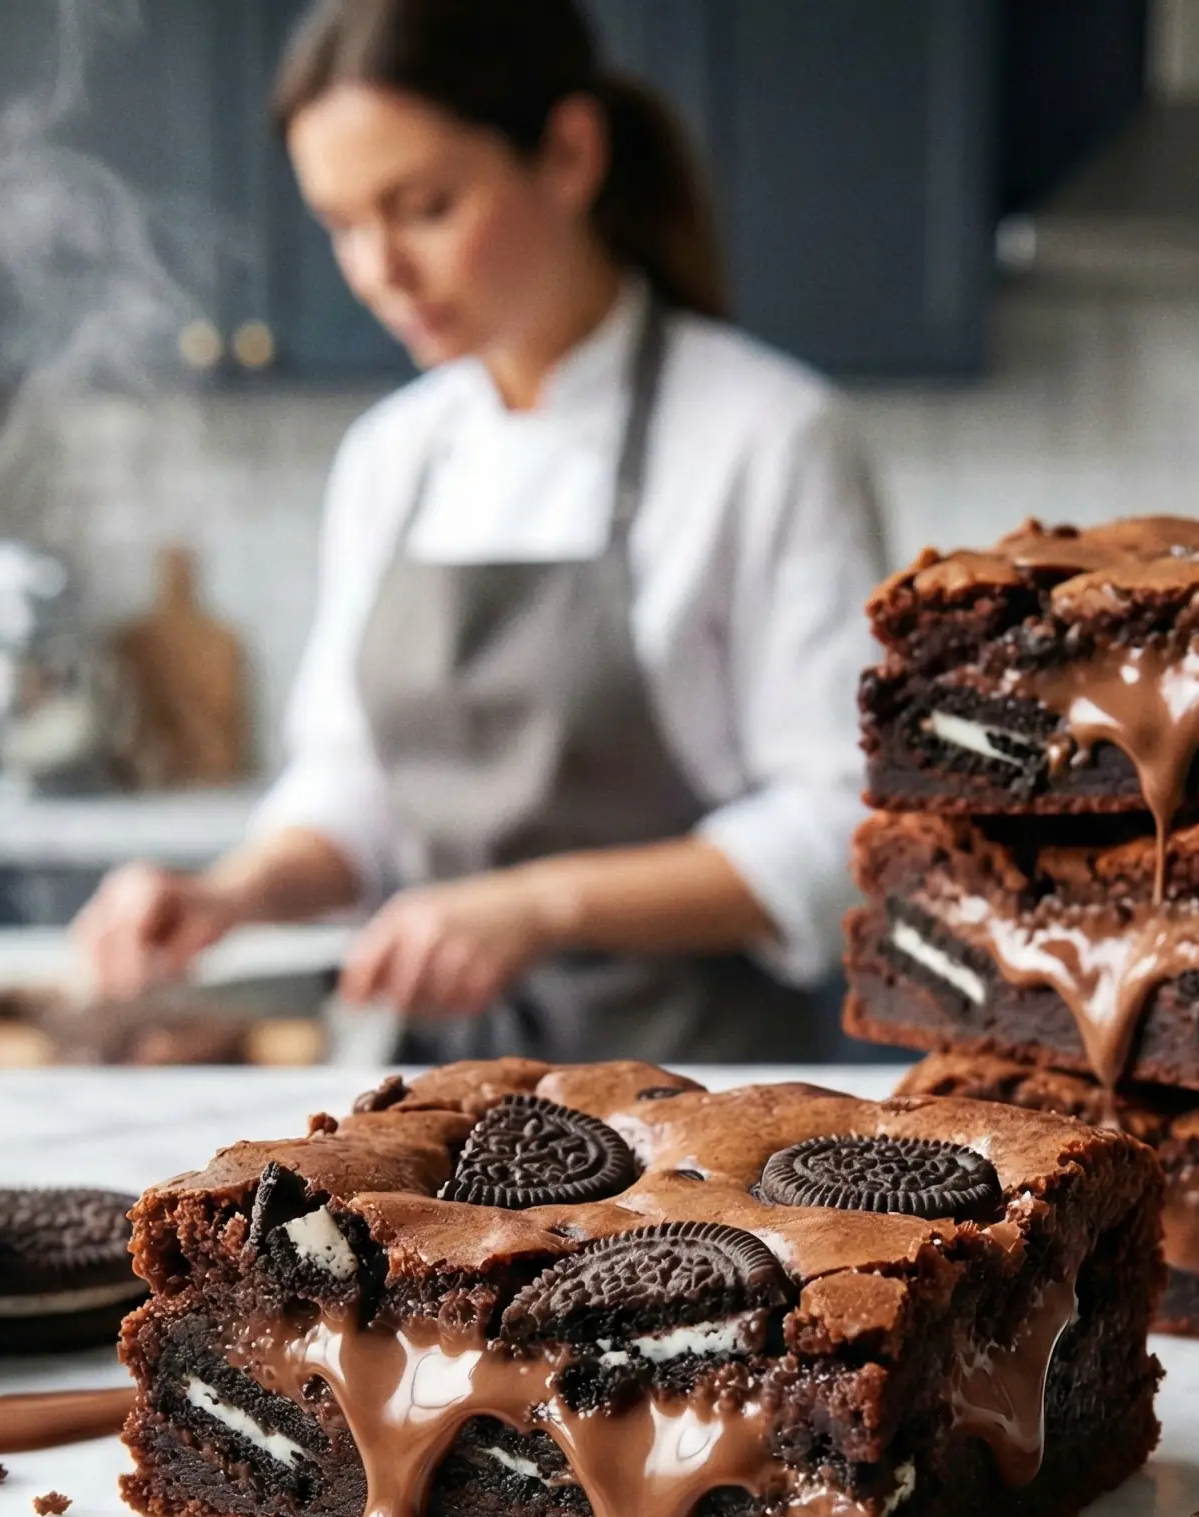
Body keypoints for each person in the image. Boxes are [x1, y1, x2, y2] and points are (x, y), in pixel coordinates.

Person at [73, 0, 883, 1063]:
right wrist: (231, 893)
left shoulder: (767, 436)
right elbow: (356, 786)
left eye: (423, 208)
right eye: (341, 224)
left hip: (698, 1091)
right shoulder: (393, 455)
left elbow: (843, 825)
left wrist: (538, 907)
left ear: (569, 154)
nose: (378, 271)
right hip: (438, 1090)